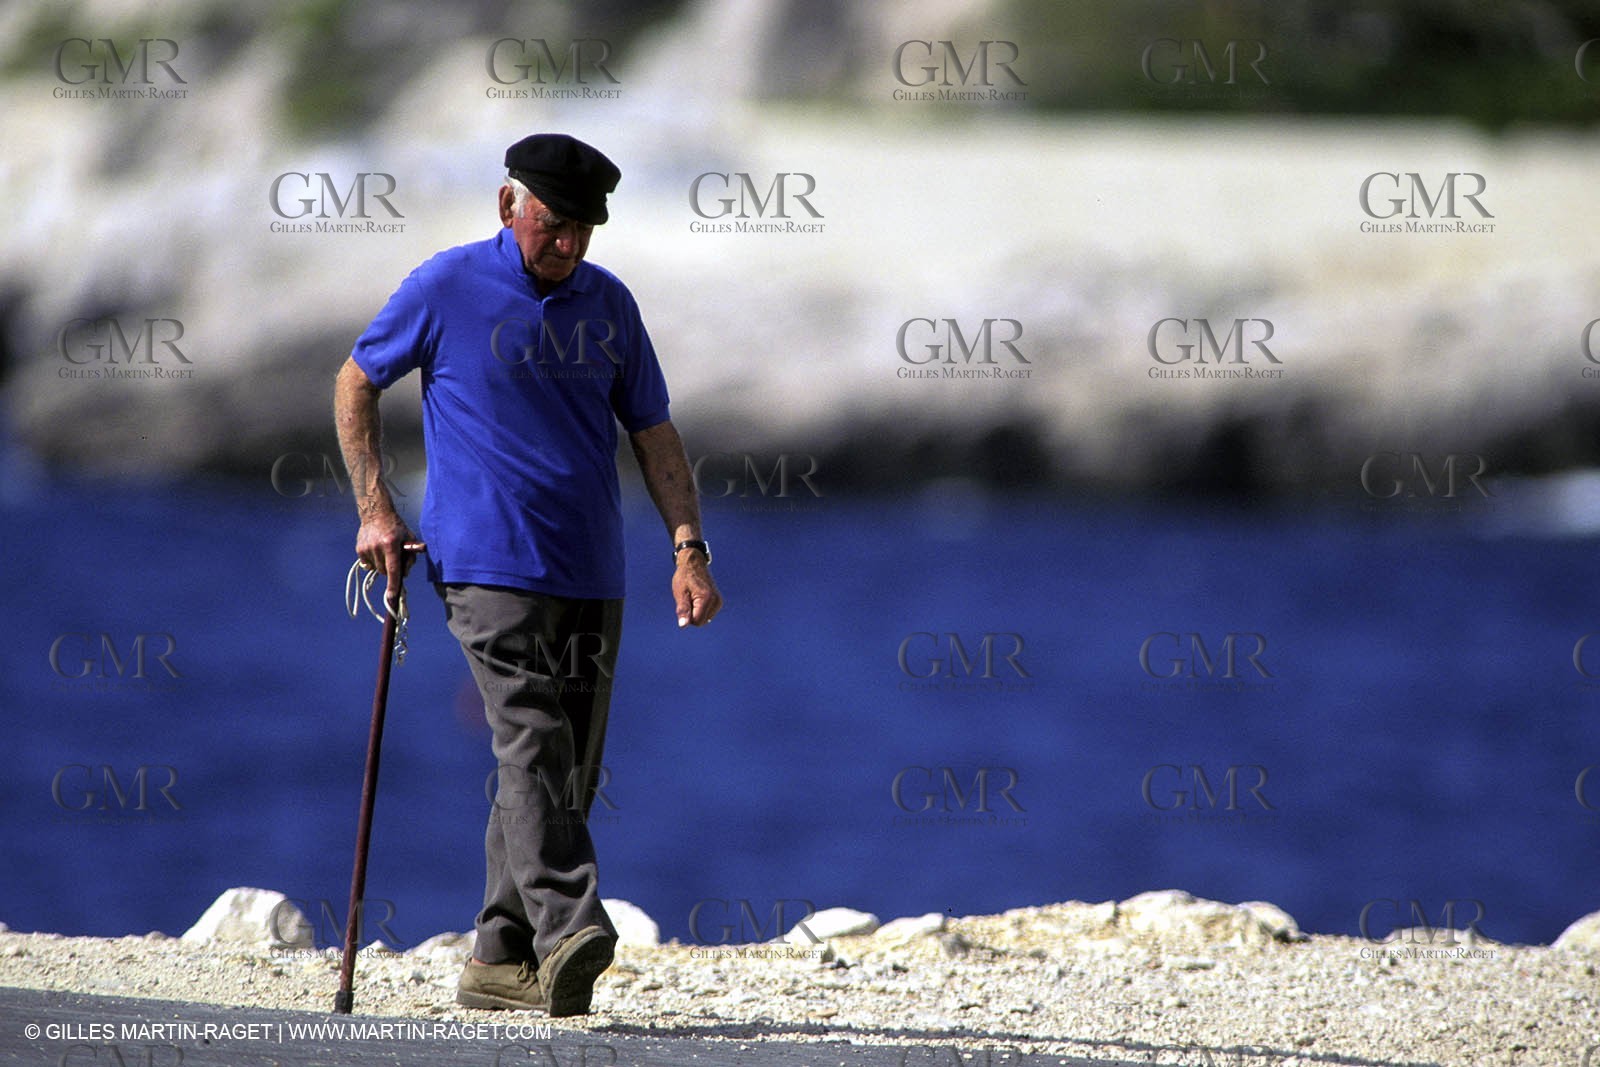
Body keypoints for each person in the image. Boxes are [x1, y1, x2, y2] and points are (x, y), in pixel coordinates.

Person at [332, 132, 722, 1015]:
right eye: (554, 224)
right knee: (531, 736)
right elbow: (357, 382)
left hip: (591, 566)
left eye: (584, 228)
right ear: (509, 207)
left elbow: (654, 433)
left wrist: (689, 547)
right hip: (482, 562)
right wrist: (375, 508)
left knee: (563, 769)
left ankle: (499, 959)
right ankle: (572, 922)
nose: (569, 244)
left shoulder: (611, 305)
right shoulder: (445, 285)